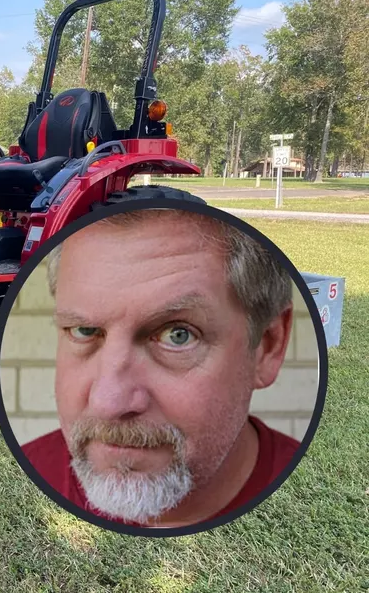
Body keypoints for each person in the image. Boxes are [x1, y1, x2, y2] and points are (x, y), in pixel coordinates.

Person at [19, 207, 302, 528]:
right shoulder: (33, 468)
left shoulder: (301, 495)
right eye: (84, 331)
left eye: (178, 335)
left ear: (267, 347)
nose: (109, 402)